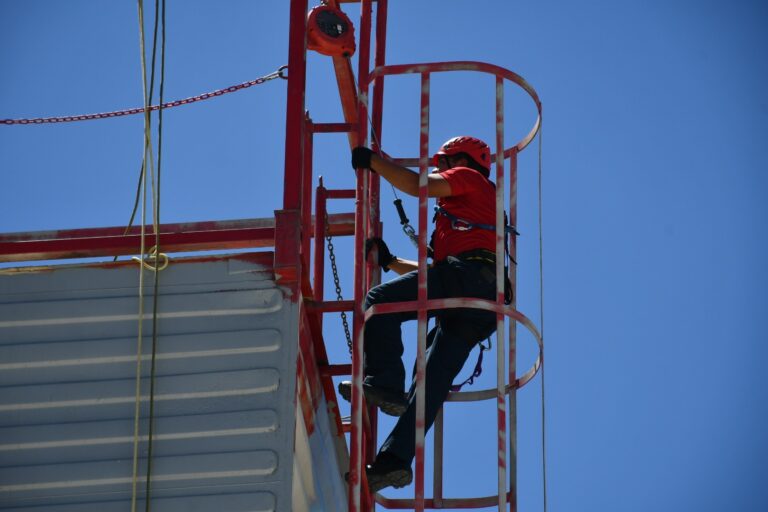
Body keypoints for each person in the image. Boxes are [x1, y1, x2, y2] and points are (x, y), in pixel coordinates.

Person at [339, 136, 501, 493]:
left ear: (462, 160)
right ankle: (393, 464)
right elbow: (432, 274)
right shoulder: (475, 210)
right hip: (482, 303)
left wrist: (372, 161)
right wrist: (392, 262)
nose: (440, 170)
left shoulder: (469, 178)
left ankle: (384, 383)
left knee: (378, 302)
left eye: (443, 163)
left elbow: (416, 185)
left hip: (465, 278)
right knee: (429, 383)